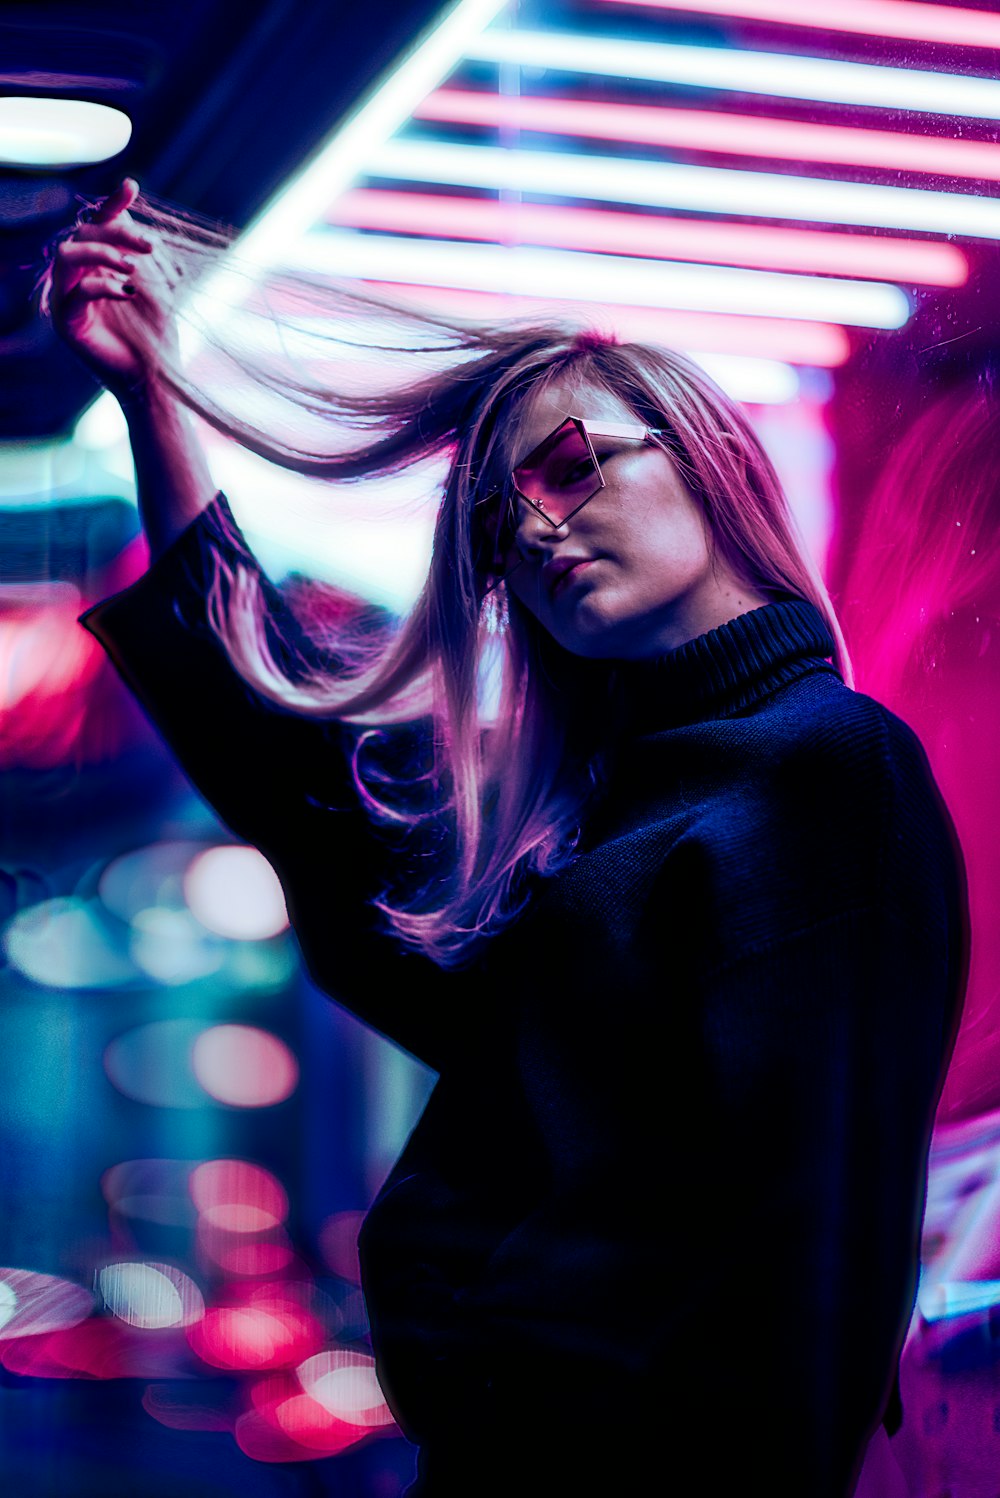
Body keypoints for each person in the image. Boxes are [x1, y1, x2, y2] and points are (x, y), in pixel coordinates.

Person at [46, 178, 970, 1497]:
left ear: (702, 450)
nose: (535, 529)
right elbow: (324, 815)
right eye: (499, 529)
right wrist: (156, 397)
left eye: (567, 464)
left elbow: (801, 1259)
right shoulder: (617, 812)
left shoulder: (824, 773)